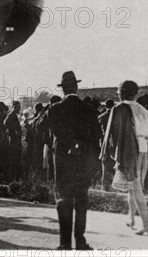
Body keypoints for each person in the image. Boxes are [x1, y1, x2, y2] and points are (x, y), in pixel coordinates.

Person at [47, 71, 100, 250]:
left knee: (63, 200)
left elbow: (52, 133)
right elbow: (96, 137)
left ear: (63, 90)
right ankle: (81, 240)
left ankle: (64, 243)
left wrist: (70, 143)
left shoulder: (54, 110)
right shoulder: (90, 110)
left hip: (63, 163)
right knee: (81, 200)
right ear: (76, 88)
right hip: (83, 162)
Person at [101, 81, 148, 236]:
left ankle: (146, 224)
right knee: (133, 187)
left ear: (121, 93)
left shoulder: (119, 109)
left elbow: (113, 134)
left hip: (130, 153)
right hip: (143, 151)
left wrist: (111, 153)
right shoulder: (143, 110)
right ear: (135, 93)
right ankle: (131, 218)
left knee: (136, 189)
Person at [98, 99, 115, 191]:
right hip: (115, 142)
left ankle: (105, 186)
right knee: (116, 164)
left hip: (104, 141)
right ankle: (117, 185)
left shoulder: (101, 117)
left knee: (105, 164)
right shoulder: (116, 117)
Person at [4, 101, 23, 182]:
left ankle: (14, 177)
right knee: (13, 160)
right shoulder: (11, 115)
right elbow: (5, 123)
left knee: (16, 159)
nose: (18, 108)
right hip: (13, 140)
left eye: (19, 106)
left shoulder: (16, 115)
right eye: (16, 107)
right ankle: (12, 178)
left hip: (16, 140)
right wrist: (13, 130)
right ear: (13, 107)